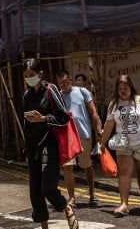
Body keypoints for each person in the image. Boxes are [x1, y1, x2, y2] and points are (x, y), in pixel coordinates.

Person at [22, 59, 78, 229]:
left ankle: (65, 206)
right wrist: (26, 148)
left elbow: (64, 117)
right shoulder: (27, 95)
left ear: (40, 74)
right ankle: (44, 227)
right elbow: (25, 124)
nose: (29, 79)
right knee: (35, 192)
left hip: (49, 145)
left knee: (47, 188)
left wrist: (44, 118)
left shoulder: (51, 89)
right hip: (33, 148)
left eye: (31, 75)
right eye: (26, 76)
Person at [101, 74, 140, 216]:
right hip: (123, 143)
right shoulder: (113, 104)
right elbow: (109, 124)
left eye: (125, 87)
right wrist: (102, 142)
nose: (123, 91)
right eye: (119, 88)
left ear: (131, 87)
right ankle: (124, 205)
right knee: (124, 172)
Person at [56, 70, 102, 207]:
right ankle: (72, 198)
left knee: (86, 165)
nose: (62, 84)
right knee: (68, 167)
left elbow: (93, 112)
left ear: (69, 79)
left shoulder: (82, 92)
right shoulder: (57, 95)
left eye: (64, 81)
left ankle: (92, 193)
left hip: (83, 134)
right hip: (66, 136)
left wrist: (99, 129)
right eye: (59, 82)